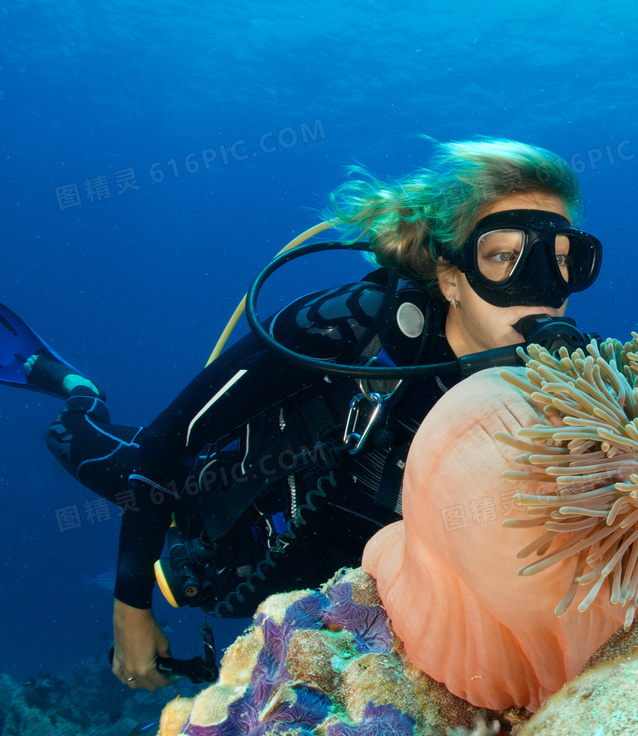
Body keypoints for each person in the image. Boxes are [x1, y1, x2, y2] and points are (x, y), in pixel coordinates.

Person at [0, 139, 603, 690]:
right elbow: (169, 438)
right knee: (98, 453)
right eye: (504, 257)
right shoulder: (348, 330)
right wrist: (131, 608)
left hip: (347, 588)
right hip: (207, 495)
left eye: (565, 259)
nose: (542, 288)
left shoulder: (565, 388)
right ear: (450, 275)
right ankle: (71, 387)